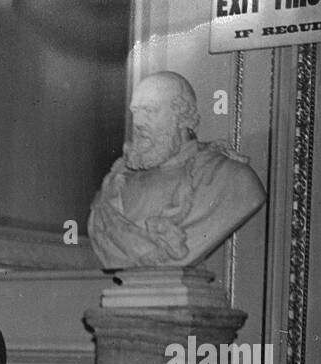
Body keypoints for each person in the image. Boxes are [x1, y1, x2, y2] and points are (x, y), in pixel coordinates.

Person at [87, 70, 266, 268]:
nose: (137, 123)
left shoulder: (232, 179)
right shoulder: (115, 186)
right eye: (135, 111)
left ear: (182, 117)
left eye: (150, 111)